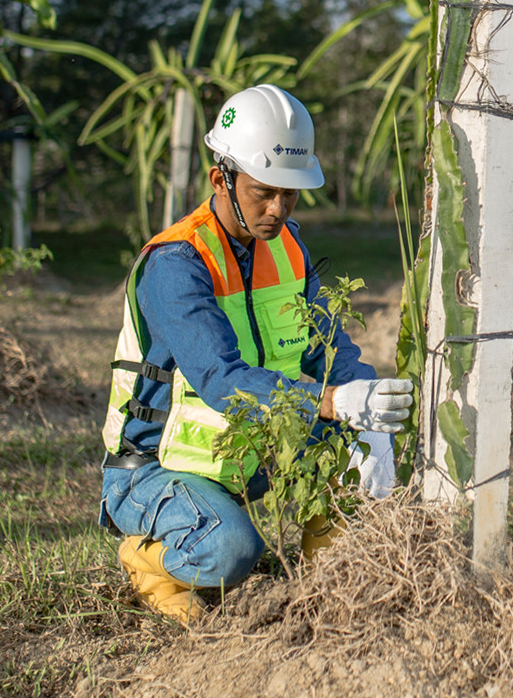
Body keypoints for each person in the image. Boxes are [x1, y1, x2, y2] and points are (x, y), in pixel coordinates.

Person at [97, 84, 414, 623]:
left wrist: (369, 409)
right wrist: (336, 402)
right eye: (263, 192)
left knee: (364, 462)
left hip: (250, 452)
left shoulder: (287, 245)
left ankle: (330, 592)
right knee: (231, 553)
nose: (277, 210)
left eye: (290, 194)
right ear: (221, 178)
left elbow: (328, 348)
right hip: (159, 467)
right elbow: (222, 379)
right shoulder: (176, 263)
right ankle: (146, 559)